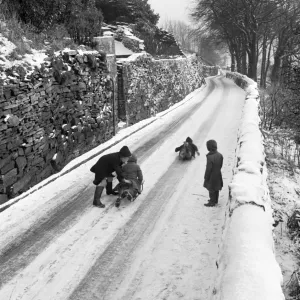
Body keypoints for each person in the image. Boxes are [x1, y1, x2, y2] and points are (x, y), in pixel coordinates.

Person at [203, 140, 223, 207]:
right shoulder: (220, 155)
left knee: (211, 188)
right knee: (216, 188)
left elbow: (208, 169)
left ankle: (212, 201)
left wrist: (206, 177)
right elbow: (220, 165)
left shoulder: (210, 157)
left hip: (211, 176)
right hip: (218, 174)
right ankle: (215, 200)